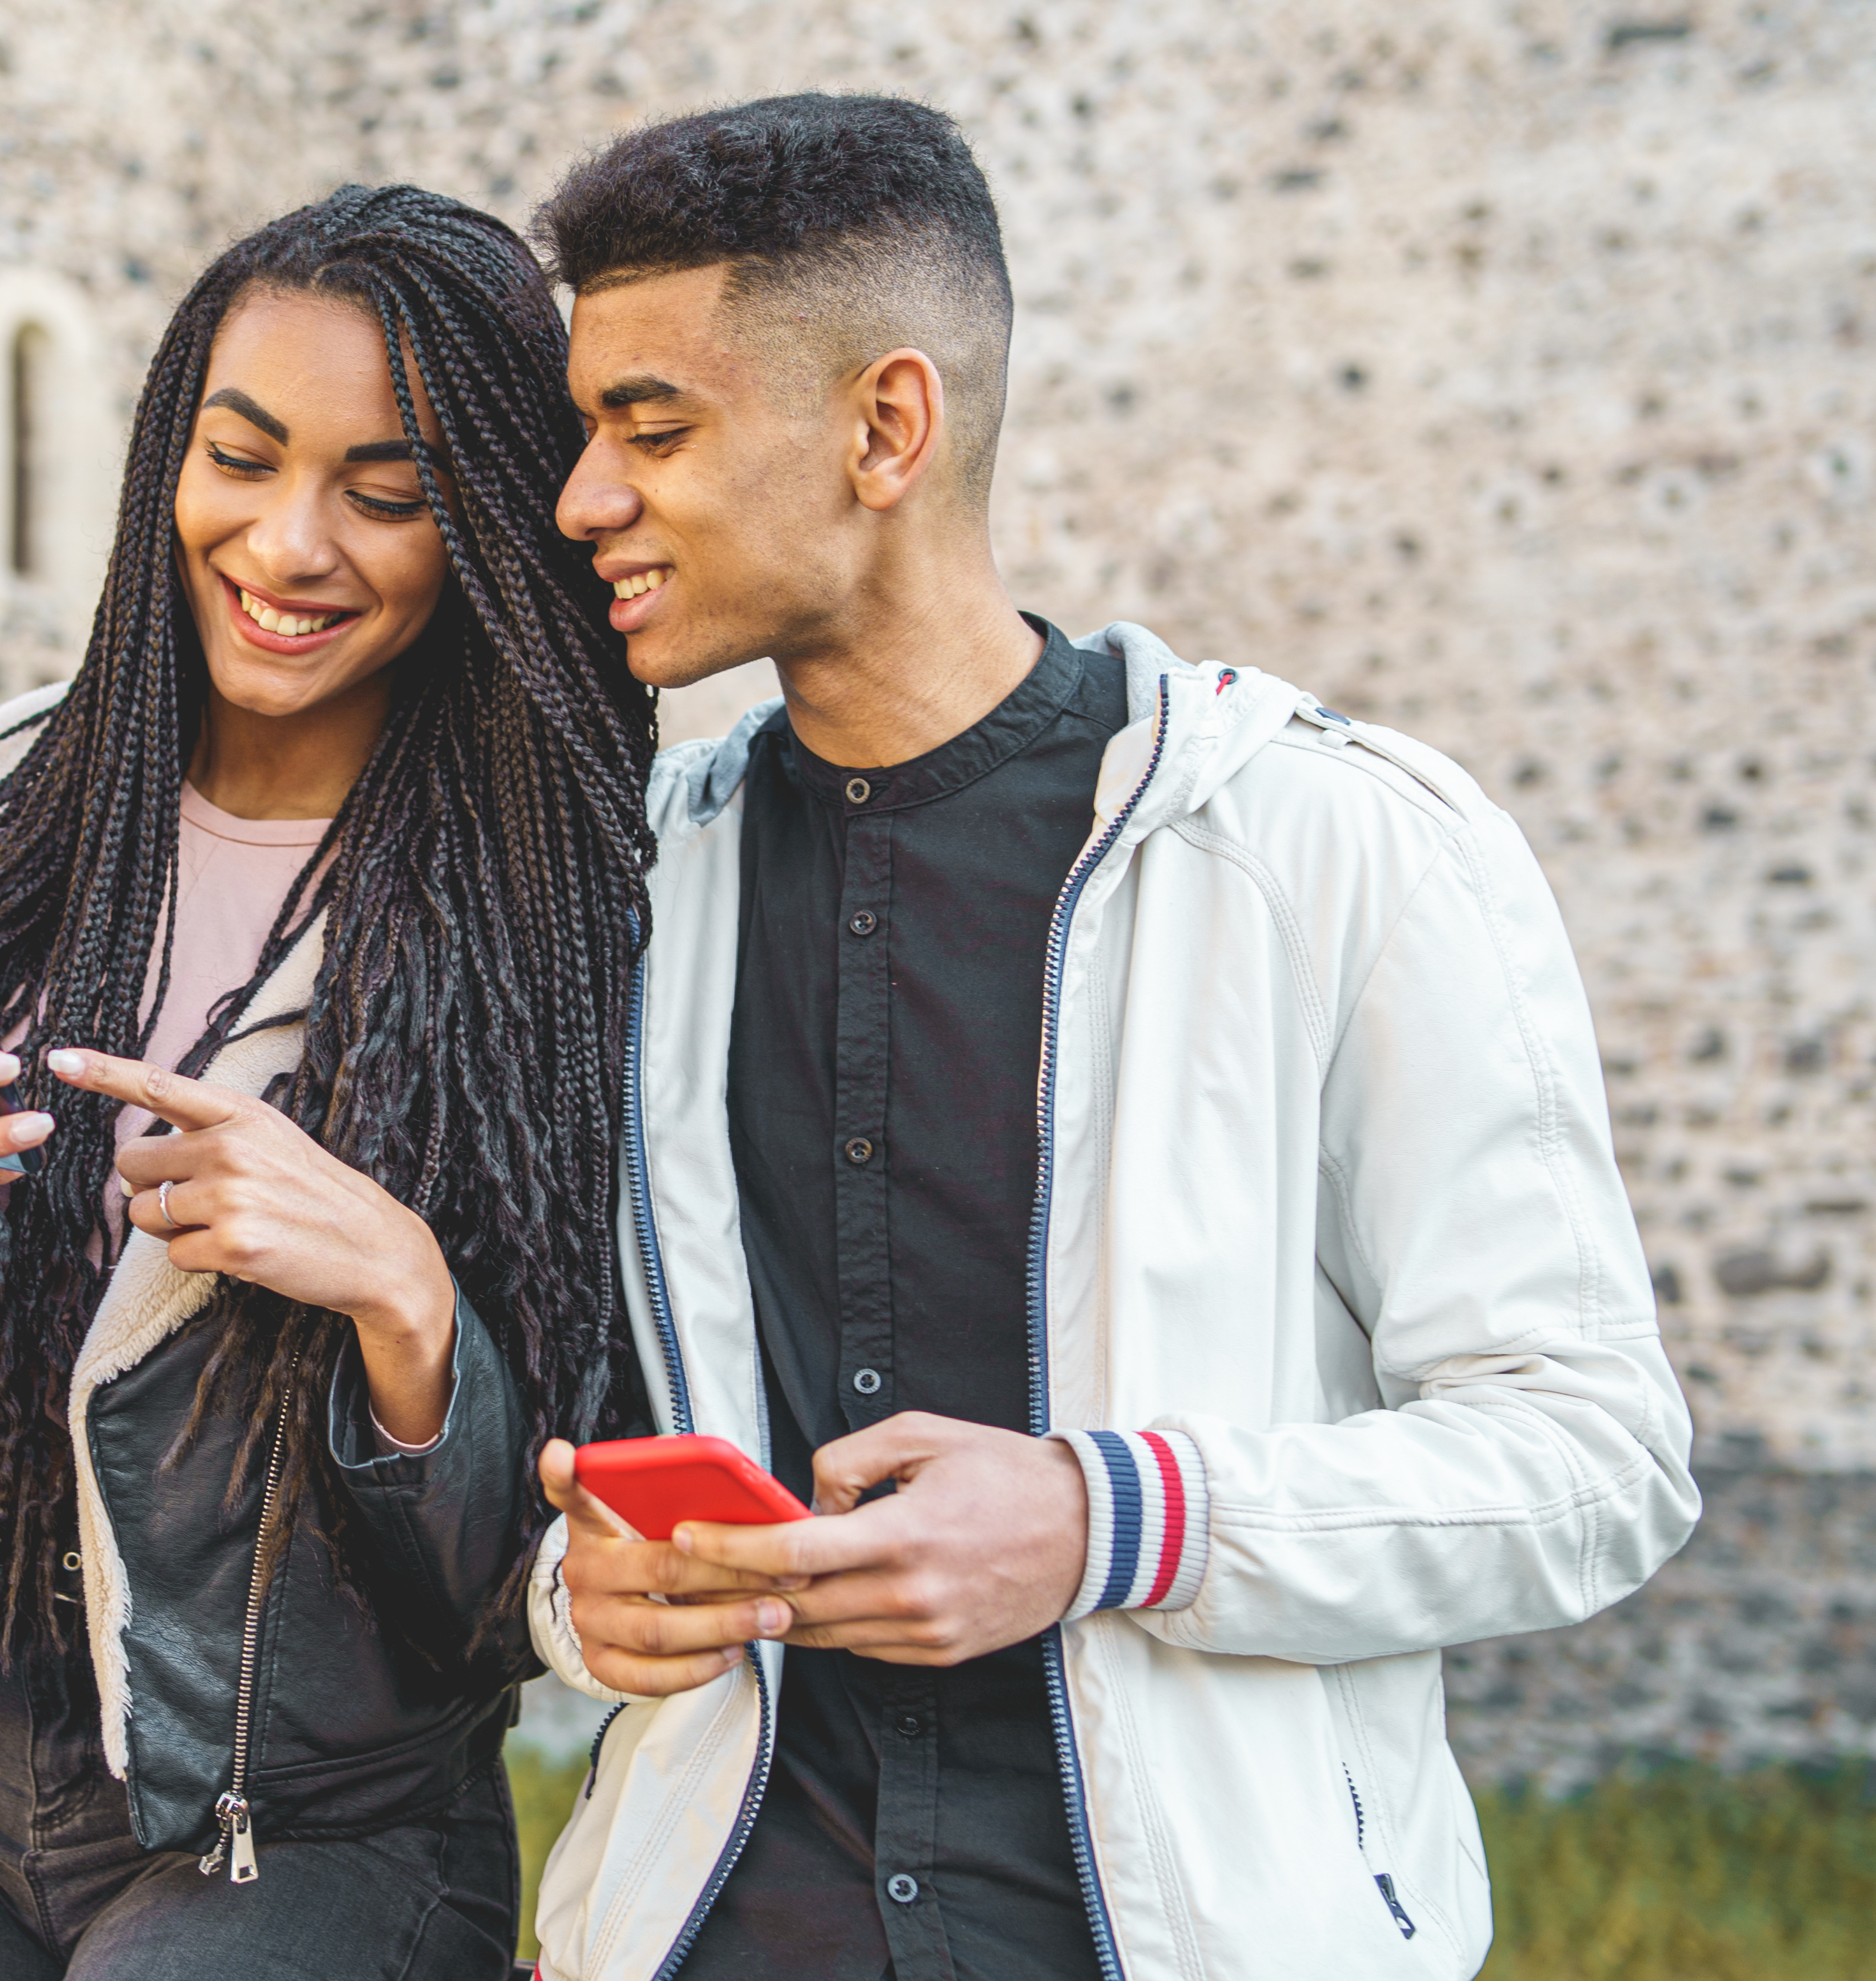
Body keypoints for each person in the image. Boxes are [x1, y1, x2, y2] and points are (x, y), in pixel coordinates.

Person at [518, 94, 1701, 1981]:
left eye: (650, 430)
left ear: (886, 427)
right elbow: (562, 1439)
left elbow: (1595, 1454)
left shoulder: (1338, 843)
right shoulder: (621, 893)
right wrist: (579, 1595)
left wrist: (1107, 1516)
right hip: (714, 1932)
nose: (583, 498)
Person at [0, 184, 654, 1980]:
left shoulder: (554, 914)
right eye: (243, 459)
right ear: (164, 466)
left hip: (300, 1823)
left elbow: (516, 1580)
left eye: (390, 495)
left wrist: (402, 1294)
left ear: (491, 536)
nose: (292, 545)